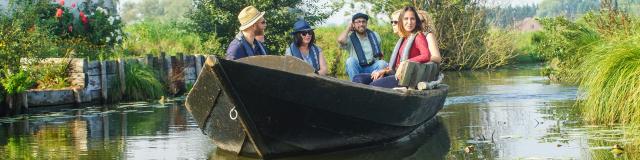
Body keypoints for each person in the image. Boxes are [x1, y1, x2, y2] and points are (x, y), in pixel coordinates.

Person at [369, 6, 435, 88]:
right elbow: (395, 65)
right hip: (395, 74)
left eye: (412, 19)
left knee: (373, 85)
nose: (409, 22)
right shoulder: (403, 39)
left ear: (416, 21)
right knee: (359, 78)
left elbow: (426, 56)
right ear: (401, 21)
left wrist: (405, 62)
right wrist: (384, 71)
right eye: (406, 19)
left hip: (406, 78)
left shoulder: (418, 36)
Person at [337, 13, 388, 81]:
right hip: (358, 68)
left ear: (366, 23)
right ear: (353, 24)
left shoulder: (375, 35)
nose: (361, 24)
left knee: (382, 63)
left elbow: (380, 54)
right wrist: (348, 28)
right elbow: (340, 40)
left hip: (373, 67)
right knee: (350, 61)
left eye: (363, 21)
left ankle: (376, 84)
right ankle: (355, 85)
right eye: (358, 22)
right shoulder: (349, 38)